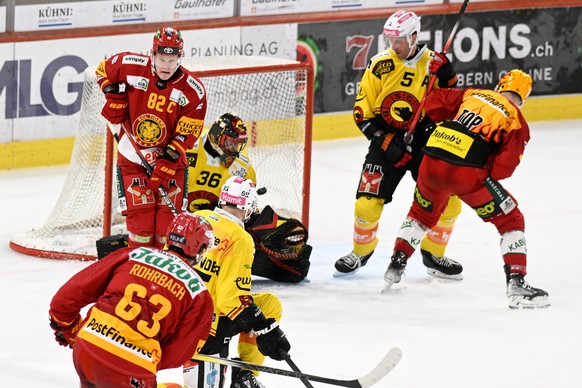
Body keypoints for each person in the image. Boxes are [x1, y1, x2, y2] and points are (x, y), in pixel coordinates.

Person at [382, 69, 550, 309]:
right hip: (467, 170)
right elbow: (504, 168)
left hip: (431, 157)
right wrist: (477, 171)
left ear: (499, 86)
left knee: (420, 214)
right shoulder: (516, 120)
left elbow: (432, 103)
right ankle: (517, 284)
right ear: (524, 97)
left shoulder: (475, 94)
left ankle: (396, 264)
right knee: (511, 220)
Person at [334, 10, 464, 279]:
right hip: (386, 138)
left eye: (400, 40)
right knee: (366, 204)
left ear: (414, 36)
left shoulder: (433, 63)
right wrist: (386, 143)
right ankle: (361, 252)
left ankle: (433, 254)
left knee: (449, 200)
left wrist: (448, 74)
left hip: (426, 139)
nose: (394, 46)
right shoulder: (380, 64)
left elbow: (450, 103)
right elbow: (362, 114)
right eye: (390, 40)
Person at [48, 212, 216, 387]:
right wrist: (140, 361)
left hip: (87, 349)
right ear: (199, 248)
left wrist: (68, 328)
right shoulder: (200, 295)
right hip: (131, 372)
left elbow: (67, 296)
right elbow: (178, 354)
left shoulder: (134, 253)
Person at [96, 26, 207, 249]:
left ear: (179, 57)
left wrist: (166, 163)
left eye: (172, 59)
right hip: (133, 159)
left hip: (171, 163)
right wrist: (112, 93)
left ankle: (164, 276)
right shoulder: (131, 65)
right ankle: (139, 271)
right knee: (141, 226)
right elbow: (102, 70)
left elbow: (188, 132)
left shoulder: (193, 90)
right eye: (162, 58)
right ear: (152, 54)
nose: (166, 65)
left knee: (168, 229)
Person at [183, 176, 292, 388]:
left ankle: (243, 376)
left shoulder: (198, 216)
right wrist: (265, 328)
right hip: (206, 327)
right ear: (249, 207)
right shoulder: (240, 238)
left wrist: (260, 321)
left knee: (268, 303)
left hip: (179, 312)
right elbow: (231, 299)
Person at [186, 113, 311, 283]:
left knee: (272, 231)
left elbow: (245, 201)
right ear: (216, 137)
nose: (235, 150)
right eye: (231, 143)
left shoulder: (241, 164)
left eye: (238, 144)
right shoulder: (188, 148)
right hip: (183, 218)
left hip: (220, 220)